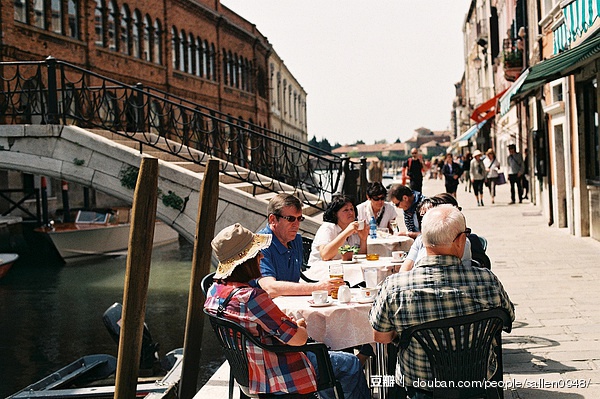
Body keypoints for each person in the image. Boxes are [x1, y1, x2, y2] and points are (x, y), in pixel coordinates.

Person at [205, 224, 370, 399]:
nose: (261, 256)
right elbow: (299, 339)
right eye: (256, 253)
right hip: (277, 374)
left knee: (329, 360)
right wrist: (299, 326)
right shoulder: (252, 298)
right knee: (351, 363)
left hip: (248, 373)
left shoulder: (213, 292)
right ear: (245, 262)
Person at [369, 206, 515, 399]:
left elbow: (381, 337)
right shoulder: (487, 281)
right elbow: (508, 319)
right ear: (461, 240)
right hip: (477, 385)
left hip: (421, 388)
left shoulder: (395, 287)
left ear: (423, 240)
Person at [258, 193, 340, 297]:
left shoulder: (296, 240)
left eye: (299, 219)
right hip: (262, 309)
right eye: (290, 219)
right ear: (273, 219)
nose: (296, 224)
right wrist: (318, 288)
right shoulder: (260, 244)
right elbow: (269, 288)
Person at [398, 194, 472, 272]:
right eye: (421, 217)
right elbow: (406, 266)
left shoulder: (460, 242)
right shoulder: (420, 239)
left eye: (430, 215)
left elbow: (464, 270)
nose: (426, 220)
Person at [308, 195, 369, 264]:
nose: (351, 213)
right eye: (346, 210)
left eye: (352, 209)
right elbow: (325, 255)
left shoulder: (354, 230)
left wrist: (363, 239)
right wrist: (346, 232)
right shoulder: (328, 227)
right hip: (320, 269)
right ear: (335, 214)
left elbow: (360, 257)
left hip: (342, 269)